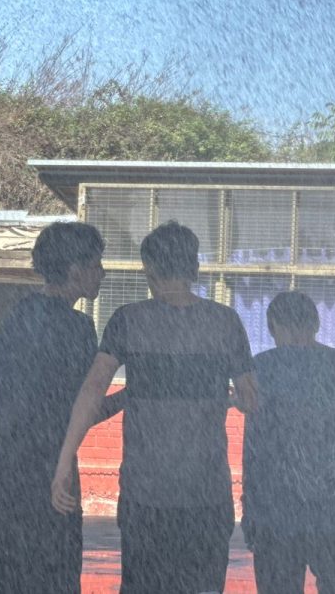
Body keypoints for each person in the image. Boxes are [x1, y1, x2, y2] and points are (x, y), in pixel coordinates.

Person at [52, 220, 257, 594]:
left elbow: (92, 389)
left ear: (150, 267)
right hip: (206, 496)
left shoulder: (128, 320)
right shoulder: (225, 322)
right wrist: (225, 398)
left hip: (145, 496)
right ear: (193, 267)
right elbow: (251, 399)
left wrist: (65, 459)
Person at [0, 221, 124, 594]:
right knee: (52, 578)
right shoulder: (76, 326)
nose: (103, 272)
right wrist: (132, 393)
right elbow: (83, 410)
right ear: (76, 269)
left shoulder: (19, 315)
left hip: (7, 472)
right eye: (96, 264)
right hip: (50, 473)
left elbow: (24, 400)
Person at [241, 290, 335, 594]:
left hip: (276, 514)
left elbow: (254, 449)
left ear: (273, 326)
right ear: (316, 323)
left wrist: (250, 510)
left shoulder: (260, 369)